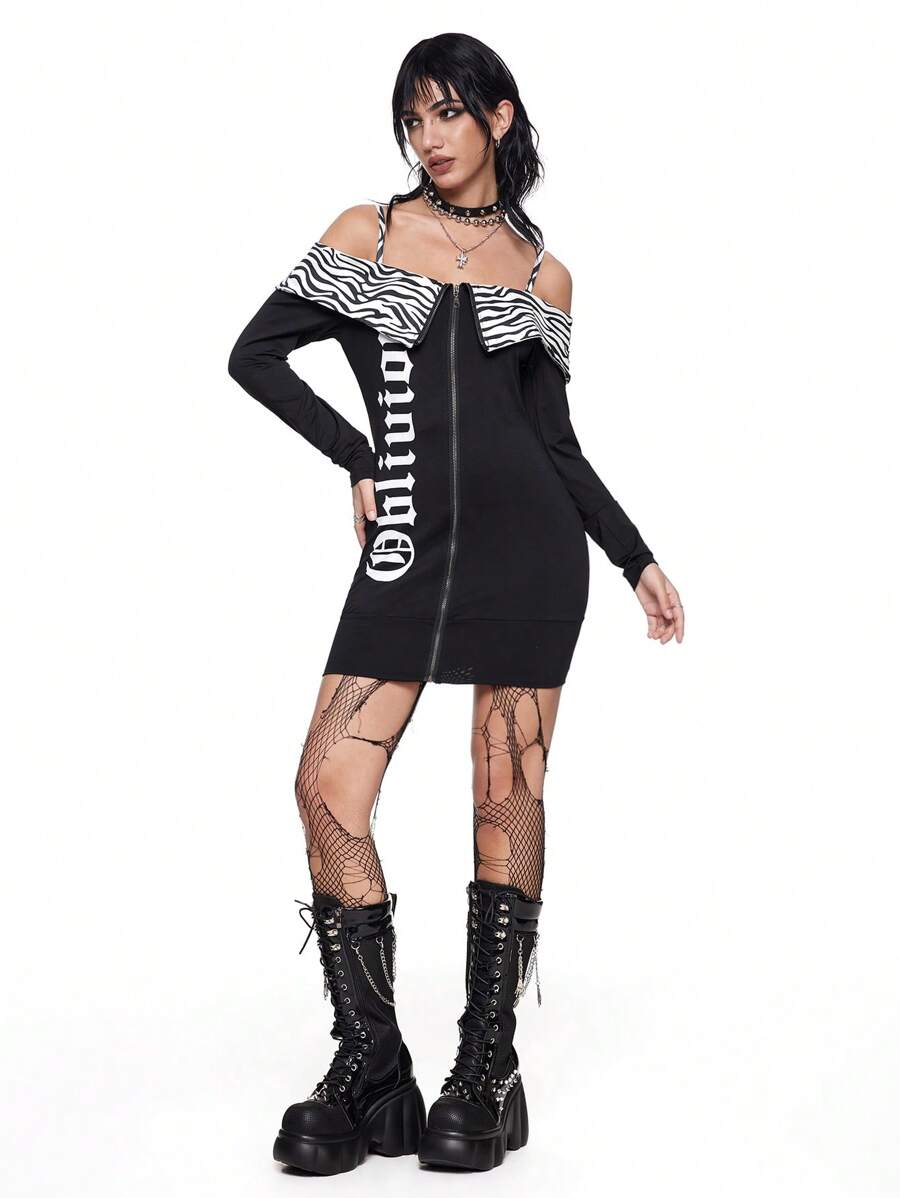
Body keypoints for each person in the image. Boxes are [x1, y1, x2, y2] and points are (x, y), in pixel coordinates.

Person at [227, 32, 684, 1177]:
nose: (426, 138)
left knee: (503, 794)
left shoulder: (542, 275)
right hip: (406, 553)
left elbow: (554, 441)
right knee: (326, 784)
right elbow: (257, 354)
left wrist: (634, 557)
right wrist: (356, 455)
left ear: (498, 115)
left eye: (445, 113)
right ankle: (374, 1061)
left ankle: (486, 1066)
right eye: (411, 119)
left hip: (530, 555)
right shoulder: (369, 236)